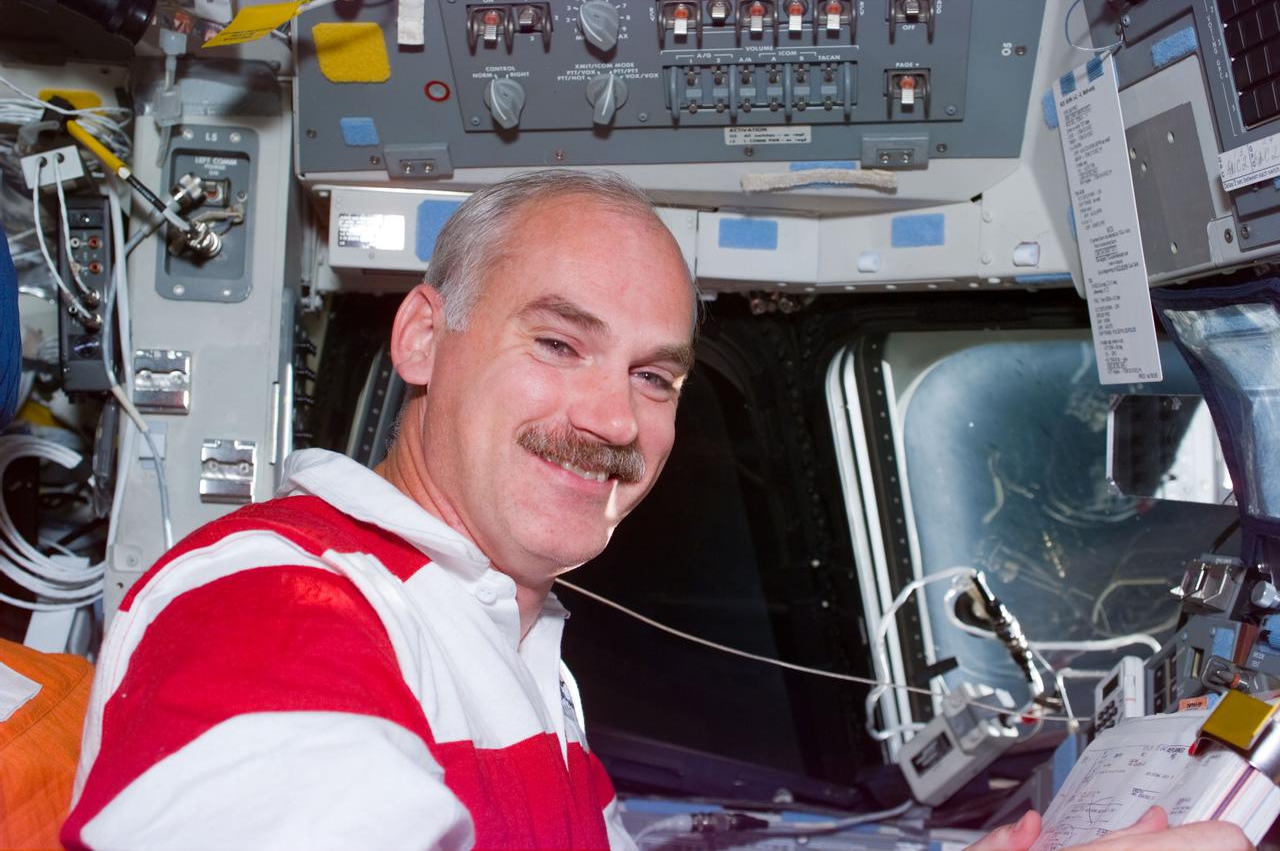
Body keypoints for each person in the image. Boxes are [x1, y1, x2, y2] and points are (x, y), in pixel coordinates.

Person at [61, 170, 1254, 850]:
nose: (613, 420)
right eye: (557, 342)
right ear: (423, 336)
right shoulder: (275, 604)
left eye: (654, 375)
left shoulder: (499, 636)